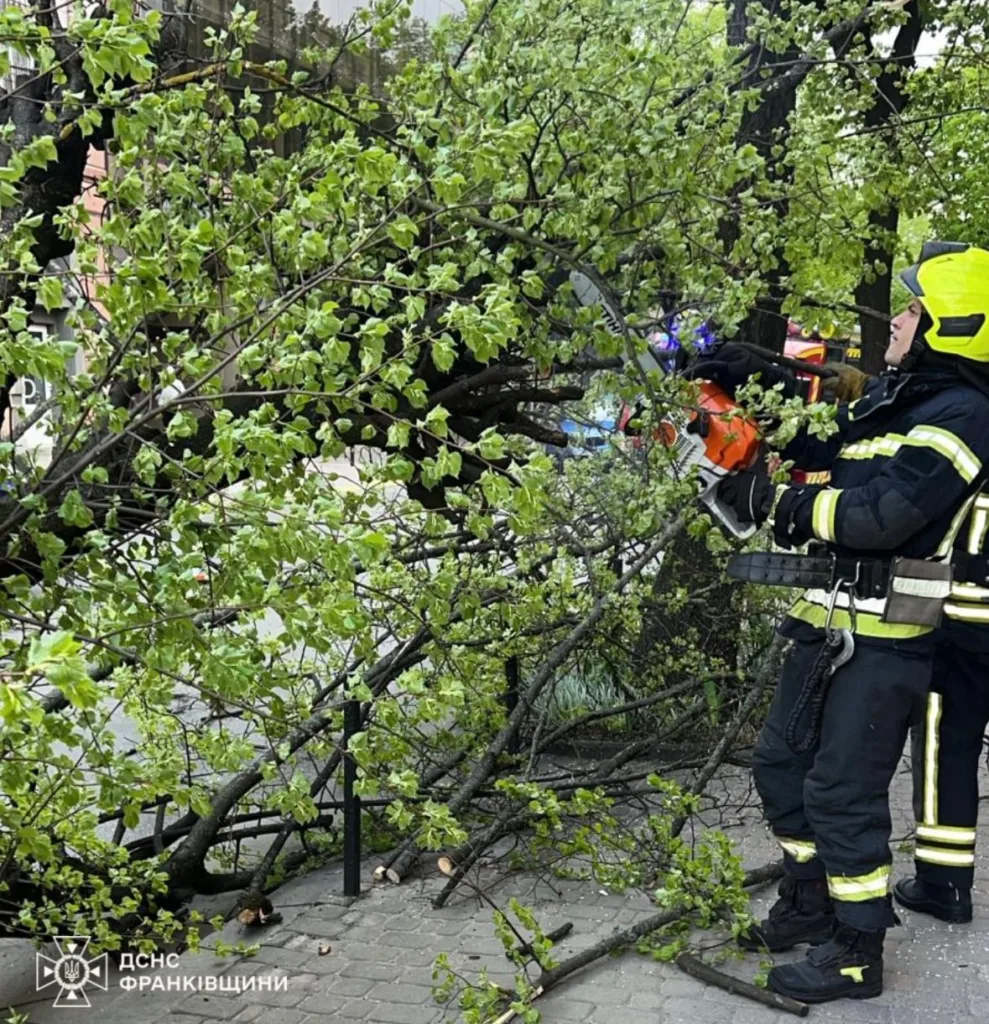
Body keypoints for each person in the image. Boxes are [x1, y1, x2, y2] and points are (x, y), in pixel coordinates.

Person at [687, 241, 989, 1003]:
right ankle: (808, 900)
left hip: (886, 640)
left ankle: (856, 953)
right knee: (779, 768)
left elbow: (882, 515)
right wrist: (752, 377)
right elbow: (820, 437)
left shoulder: (966, 417)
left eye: (912, 308)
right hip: (819, 622)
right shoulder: (896, 399)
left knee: (842, 793)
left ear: (951, 324)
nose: (897, 319)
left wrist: (775, 503)